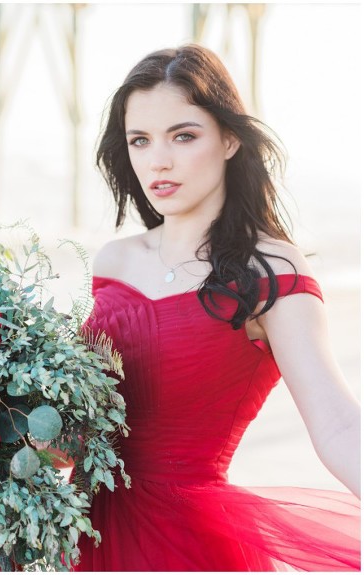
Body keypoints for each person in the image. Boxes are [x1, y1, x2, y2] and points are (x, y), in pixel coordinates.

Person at [77, 45, 360, 571]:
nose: (158, 160)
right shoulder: (113, 263)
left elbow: (339, 423)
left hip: (188, 542)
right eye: (140, 140)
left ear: (230, 139)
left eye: (183, 136)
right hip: (86, 532)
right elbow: (78, 425)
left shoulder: (270, 270)